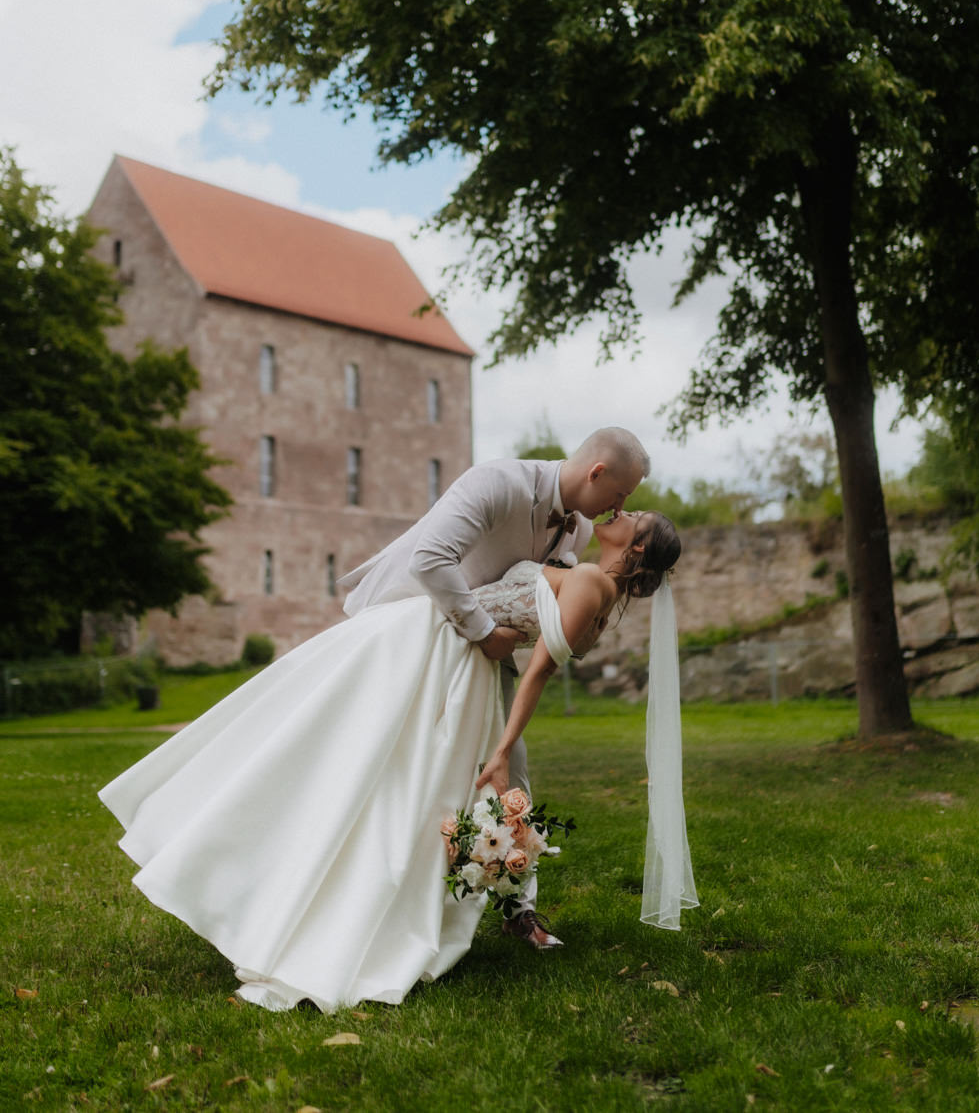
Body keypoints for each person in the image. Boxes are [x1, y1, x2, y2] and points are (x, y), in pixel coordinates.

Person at [98, 509, 697, 1014]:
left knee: (344, 759)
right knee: (329, 749)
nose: (621, 510)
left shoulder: (592, 582)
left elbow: (538, 671)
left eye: (632, 515)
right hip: (436, 646)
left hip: (436, 650)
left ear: (638, 545)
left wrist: (499, 751)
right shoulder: (588, 576)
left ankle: (294, 891)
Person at [339, 427, 650, 948]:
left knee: (513, 771)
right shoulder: (496, 482)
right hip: (412, 632)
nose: (617, 508)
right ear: (597, 473)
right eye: (618, 496)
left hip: (486, 661)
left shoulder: (575, 533)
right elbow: (430, 560)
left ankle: (519, 909)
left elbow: (542, 606)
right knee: (392, 767)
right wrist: (485, 633)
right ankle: (367, 889)